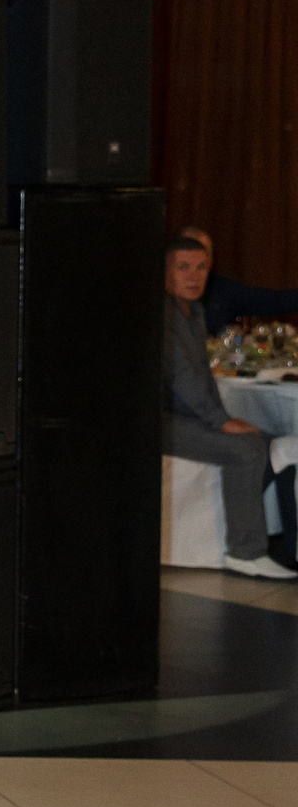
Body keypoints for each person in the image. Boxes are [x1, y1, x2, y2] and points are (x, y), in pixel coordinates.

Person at [163, 233, 298, 579]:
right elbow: (182, 377)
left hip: (185, 414)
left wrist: (222, 418)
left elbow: (202, 377)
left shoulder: (193, 310)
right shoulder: (162, 315)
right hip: (157, 421)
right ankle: (245, 551)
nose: (194, 276)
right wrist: (220, 421)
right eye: (183, 268)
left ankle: (235, 529)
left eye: (201, 267)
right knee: (246, 449)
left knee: (270, 442)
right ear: (165, 272)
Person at [178, 226, 298, 337]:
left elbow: (270, 300)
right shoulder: (164, 295)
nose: (198, 264)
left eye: (206, 255)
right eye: (189, 259)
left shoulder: (221, 289)